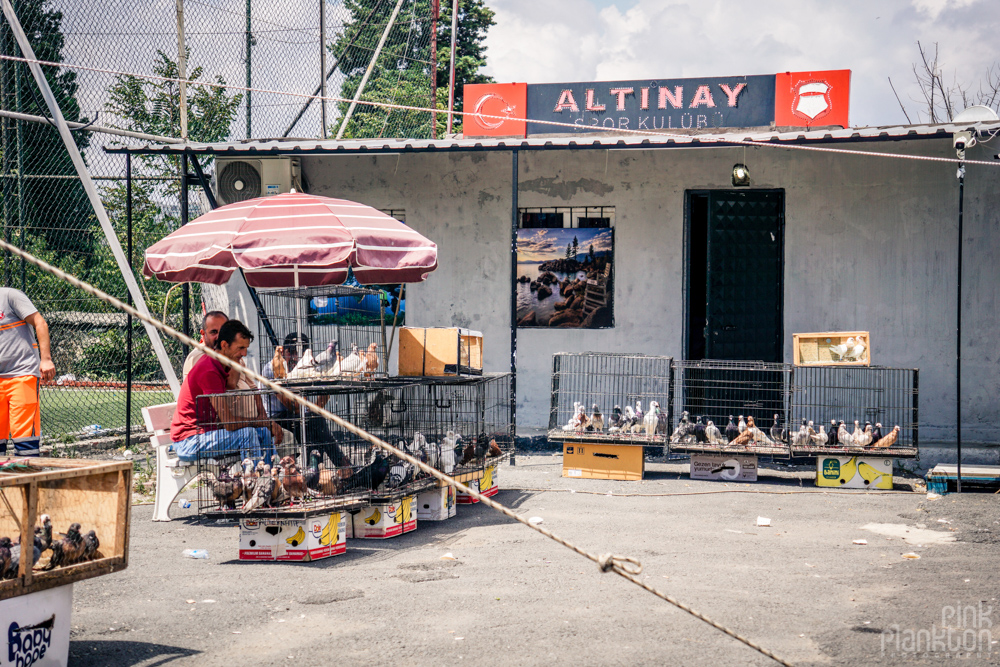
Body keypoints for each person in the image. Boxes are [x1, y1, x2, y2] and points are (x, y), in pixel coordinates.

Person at [170, 319, 281, 462]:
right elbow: (229, 423)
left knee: (263, 432)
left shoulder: (223, 364)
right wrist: (261, 421)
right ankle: (255, 481)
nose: (244, 353)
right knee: (247, 434)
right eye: (240, 348)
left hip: (208, 434)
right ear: (224, 345)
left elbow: (234, 386)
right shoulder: (209, 369)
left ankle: (270, 477)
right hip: (188, 442)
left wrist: (264, 423)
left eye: (246, 348)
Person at [0, 288, 55, 456]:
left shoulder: (9, 296)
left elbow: (40, 322)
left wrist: (45, 359)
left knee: (25, 443)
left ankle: (26, 480)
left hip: (22, 374)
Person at [182, 310, 228, 379]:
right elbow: (231, 384)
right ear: (203, 333)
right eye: (214, 332)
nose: (219, 336)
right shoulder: (200, 356)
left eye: (223, 332)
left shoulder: (227, 352)